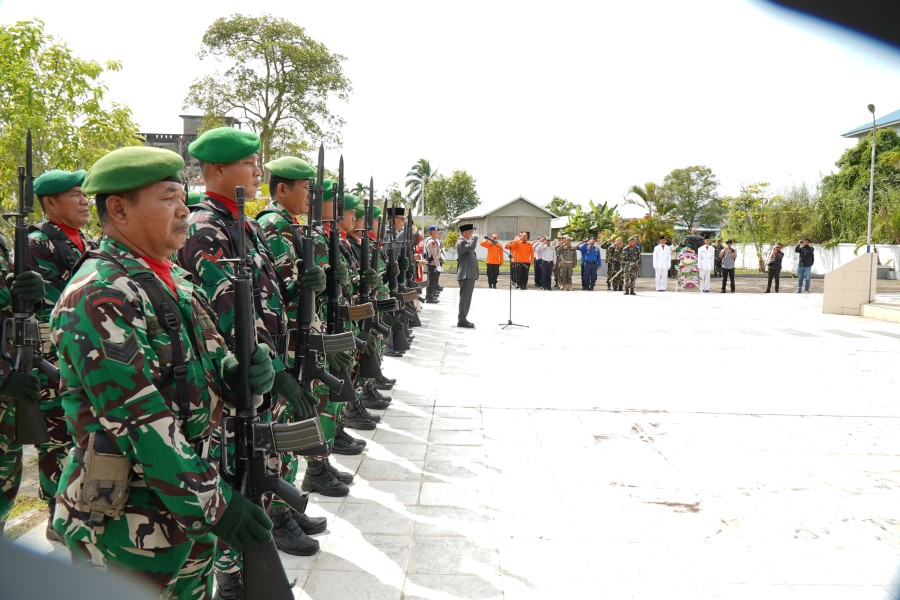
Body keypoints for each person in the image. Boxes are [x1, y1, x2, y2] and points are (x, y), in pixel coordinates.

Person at [49, 146, 274, 598]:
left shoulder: (176, 283)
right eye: (169, 197)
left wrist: (241, 377)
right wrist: (216, 506)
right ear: (119, 209)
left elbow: (206, 370)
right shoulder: (97, 294)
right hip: (123, 530)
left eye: (183, 196)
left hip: (184, 511)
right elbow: (139, 417)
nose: (183, 209)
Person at [175, 127, 321, 595]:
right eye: (250, 163)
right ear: (217, 169)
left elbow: (268, 298)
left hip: (264, 370)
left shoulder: (246, 224)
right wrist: (273, 372)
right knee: (237, 473)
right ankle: (231, 577)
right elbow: (227, 314)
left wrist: (306, 287)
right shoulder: (205, 227)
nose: (260, 172)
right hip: (237, 379)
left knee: (264, 465)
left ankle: (258, 546)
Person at [28, 168, 99, 541]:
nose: (85, 200)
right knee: (56, 439)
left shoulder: (82, 239)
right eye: (75, 194)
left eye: (84, 194)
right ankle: (56, 513)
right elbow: (53, 304)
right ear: (51, 202)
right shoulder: (40, 242)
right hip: (55, 358)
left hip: (81, 356)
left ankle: (77, 508)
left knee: (78, 435)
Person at [456, 224, 478, 327]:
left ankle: (463, 319)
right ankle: (462, 320)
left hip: (468, 274)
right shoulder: (461, 242)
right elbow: (471, 247)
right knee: (465, 299)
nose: (472, 234)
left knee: (466, 298)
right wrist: (475, 238)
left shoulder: (464, 242)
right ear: (466, 232)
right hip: (466, 275)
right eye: (471, 232)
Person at [423, 225, 442, 302]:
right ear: (433, 232)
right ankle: (429, 297)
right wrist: (438, 266)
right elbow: (435, 256)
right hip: (433, 264)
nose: (438, 233)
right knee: (431, 281)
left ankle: (431, 295)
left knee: (432, 280)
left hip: (433, 263)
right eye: (437, 231)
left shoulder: (432, 240)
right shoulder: (432, 242)